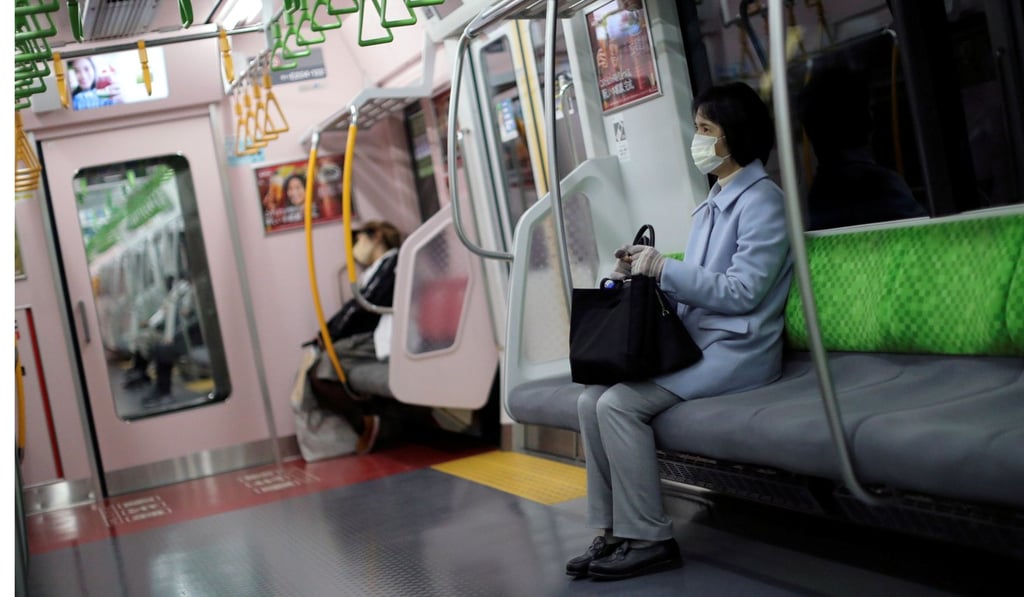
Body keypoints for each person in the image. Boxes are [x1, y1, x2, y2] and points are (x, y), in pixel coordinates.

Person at [567, 82, 793, 582]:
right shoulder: (711, 203)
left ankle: (650, 536)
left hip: (739, 349)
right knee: (590, 399)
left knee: (618, 404)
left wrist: (664, 270)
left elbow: (742, 294)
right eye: (697, 128)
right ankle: (611, 531)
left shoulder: (763, 203)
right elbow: (698, 289)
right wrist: (644, 274)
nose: (698, 139)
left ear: (736, 136)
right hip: (700, 342)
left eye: (705, 130)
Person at [306, 220, 431, 454]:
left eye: (359, 238)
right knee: (322, 364)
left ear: (377, 236)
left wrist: (331, 334)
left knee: (325, 364)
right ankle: (378, 420)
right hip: (375, 336)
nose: (356, 246)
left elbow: (367, 307)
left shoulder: (394, 264)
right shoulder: (374, 271)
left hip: (389, 336)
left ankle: (370, 421)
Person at [797, 64, 927, 230]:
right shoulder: (879, 184)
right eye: (869, 108)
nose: (872, 116)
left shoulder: (819, 192)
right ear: (863, 119)